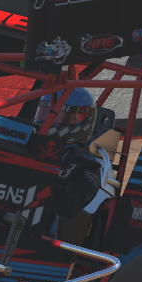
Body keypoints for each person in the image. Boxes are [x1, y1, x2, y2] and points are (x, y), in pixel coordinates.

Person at [33, 88, 104, 222]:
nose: (47, 120)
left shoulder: (86, 166)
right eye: (45, 113)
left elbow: (70, 208)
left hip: (40, 225)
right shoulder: (28, 145)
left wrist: (46, 177)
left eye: (59, 115)